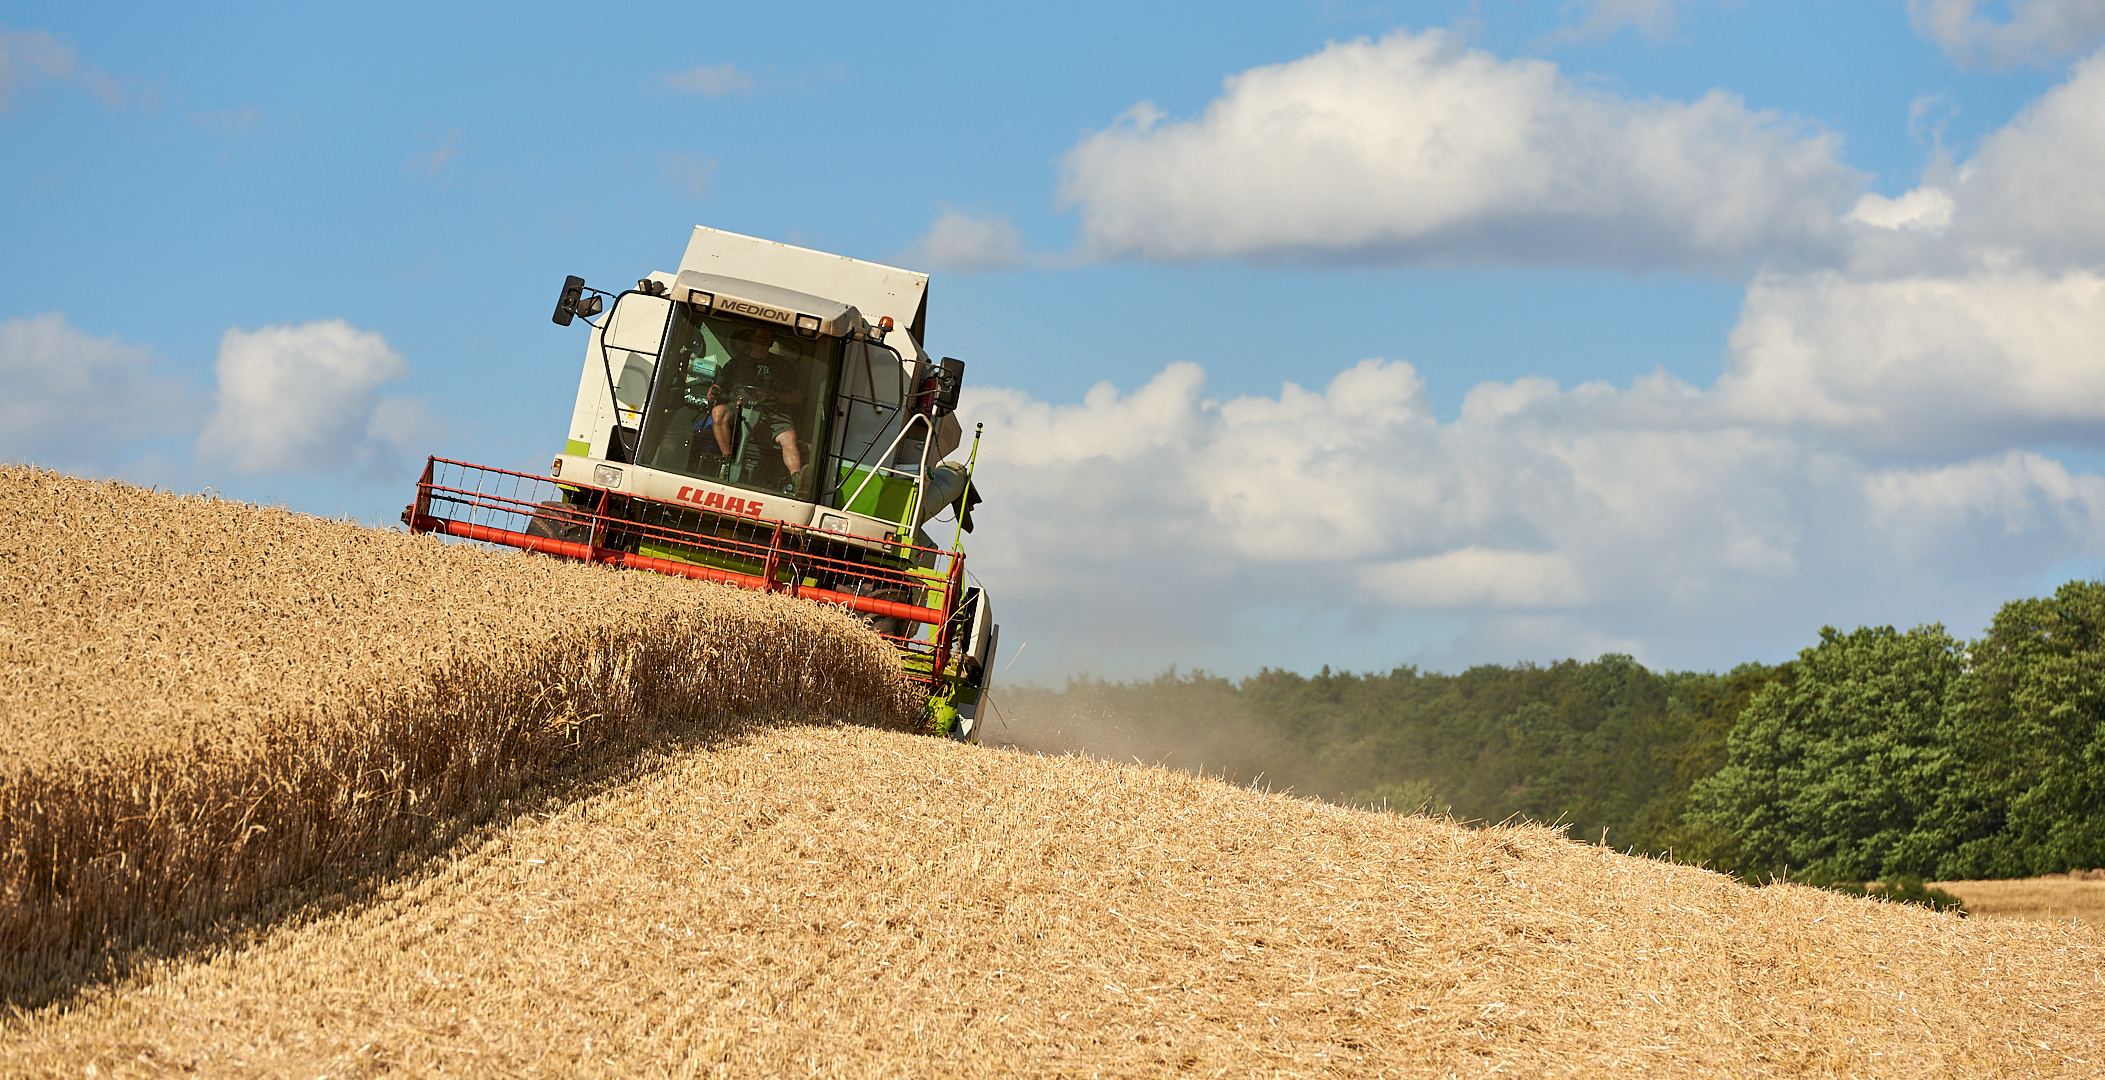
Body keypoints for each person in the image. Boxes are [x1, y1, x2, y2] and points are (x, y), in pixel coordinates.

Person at [710, 325, 805, 480]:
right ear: (752, 339)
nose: (762, 341)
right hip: (739, 409)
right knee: (718, 412)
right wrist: (714, 391)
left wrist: (774, 395)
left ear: (772, 342)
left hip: (772, 413)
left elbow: (796, 397)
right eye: (760, 337)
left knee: (789, 437)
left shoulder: (783, 366)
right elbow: (718, 385)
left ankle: (797, 479)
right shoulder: (736, 363)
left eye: (767, 338)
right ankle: (727, 461)